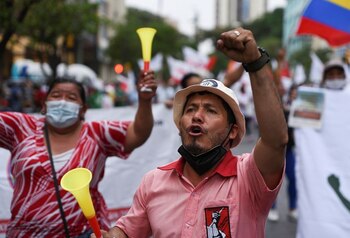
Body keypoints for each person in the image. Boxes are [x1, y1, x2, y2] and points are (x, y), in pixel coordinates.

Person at [95, 27, 288, 237]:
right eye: (191, 109)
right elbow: (127, 231)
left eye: (211, 110)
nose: (197, 116)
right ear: (180, 125)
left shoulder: (248, 178)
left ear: (232, 132)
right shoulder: (154, 182)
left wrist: (255, 63)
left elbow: (275, 141)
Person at [1, 71, 157, 237]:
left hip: (84, 233)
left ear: (83, 110)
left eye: (71, 98)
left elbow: (138, 133)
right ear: (44, 105)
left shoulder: (97, 133)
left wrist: (145, 101)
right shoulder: (20, 127)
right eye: (56, 95)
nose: (62, 102)